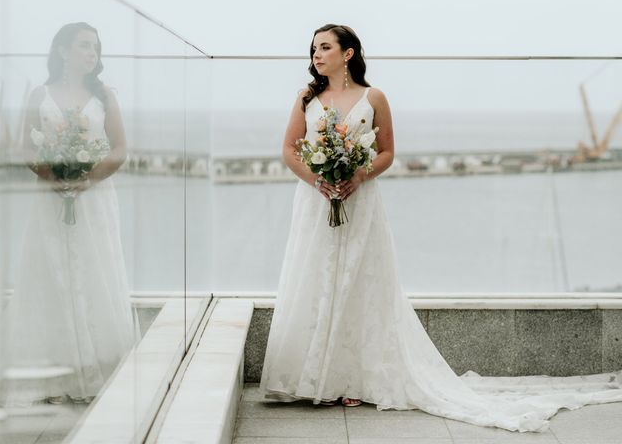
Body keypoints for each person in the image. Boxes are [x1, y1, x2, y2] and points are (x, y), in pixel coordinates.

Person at [258, 23, 622, 432]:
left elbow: (388, 152)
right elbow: (290, 149)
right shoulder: (307, 97)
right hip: (315, 202)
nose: (316, 55)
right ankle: (311, 378)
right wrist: (319, 180)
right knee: (315, 277)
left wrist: (358, 175)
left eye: (325, 47)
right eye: (313, 49)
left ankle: (350, 377)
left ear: (348, 53)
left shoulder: (373, 97)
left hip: (360, 203)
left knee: (360, 283)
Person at [0, 22, 140, 407]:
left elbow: (119, 149)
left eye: (96, 48)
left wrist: (86, 178)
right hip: (50, 197)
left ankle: (95, 367)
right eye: (85, 46)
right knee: (47, 272)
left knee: (95, 270)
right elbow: (26, 146)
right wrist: (54, 176)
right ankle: (55, 371)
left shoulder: (105, 96)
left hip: (95, 199)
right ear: (63, 50)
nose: (92, 54)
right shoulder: (41, 93)